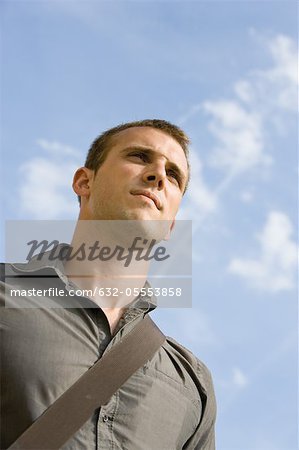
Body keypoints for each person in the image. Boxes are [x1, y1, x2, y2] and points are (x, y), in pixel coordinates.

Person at [0, 119, 216, 449]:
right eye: (140, 156)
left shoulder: (192, 383)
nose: (158, 174)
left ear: (171, 224)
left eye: (173, 175)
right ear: (84, 182)